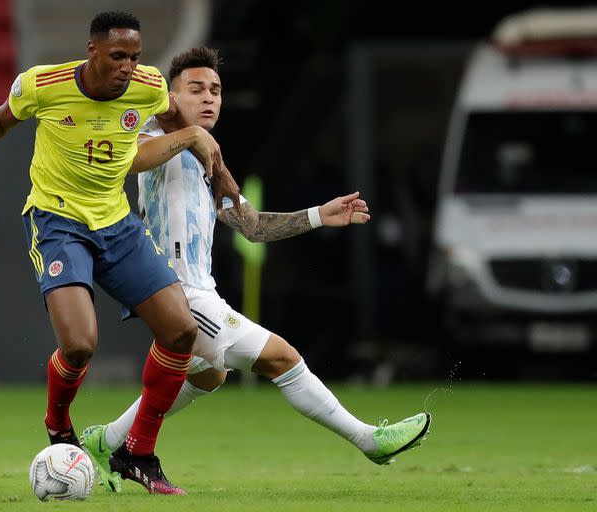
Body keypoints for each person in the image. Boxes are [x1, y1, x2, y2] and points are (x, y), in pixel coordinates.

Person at [81, 46, 431, 493]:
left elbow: (252, 227)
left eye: (216, 90)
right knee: (282, 357)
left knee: (208, 375)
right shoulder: (153, 136)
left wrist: (321, 215)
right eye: (196, 89)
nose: (209, 98)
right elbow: (134, 155)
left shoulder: (208, 161)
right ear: (171, 96)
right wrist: (185, 130)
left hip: (199, 289)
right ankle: (370, 440)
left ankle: (104, 441)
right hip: (178, 292)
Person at [0, 13, 241, 496]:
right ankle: (58, 425)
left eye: (135, 57)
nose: (128, 67)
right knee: (79, 345)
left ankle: (138, 452)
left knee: (180, 331)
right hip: (57, 222)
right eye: (118, 57)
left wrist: (217, 167)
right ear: (92, 51)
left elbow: (180, 125)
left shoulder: (148, 85)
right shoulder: (44, 84)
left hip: (116, 225)